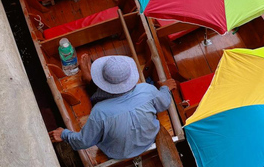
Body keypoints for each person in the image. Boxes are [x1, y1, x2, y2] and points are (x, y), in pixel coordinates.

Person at [48, 54, 176, 160]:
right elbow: (164, 102)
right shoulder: (147, 90)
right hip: (149, 140)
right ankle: (88, 77)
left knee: (97, 97)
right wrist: (165, 88)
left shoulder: (99, 111)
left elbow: (83, 142)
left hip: (117, 153)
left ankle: (88, 78)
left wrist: (64, 134)